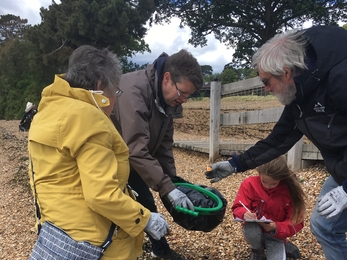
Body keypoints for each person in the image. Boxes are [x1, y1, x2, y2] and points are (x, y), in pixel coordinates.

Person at [205, 25, 347, 260]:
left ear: (286, 72)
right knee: (324, 227)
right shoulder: (298, 97)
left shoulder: (340, 80)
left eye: (266, 80)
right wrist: (235, 164)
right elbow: (278, 140)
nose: (265, 88)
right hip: (341, 169)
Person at [27, 45, 170, 260]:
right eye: (116, 92)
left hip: (56, 234)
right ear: (101, 86)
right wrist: (145, 219)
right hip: (97, 244)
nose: (115, 100)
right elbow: (101, 195)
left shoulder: (45, 113)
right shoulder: (90, 118)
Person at [111, 49, 203, 259]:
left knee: (146, 201)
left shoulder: (167, 99)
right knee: (128, 204)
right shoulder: (134, 93)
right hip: (113, 157)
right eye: (183, 93)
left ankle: (159, 250)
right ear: (167, 78)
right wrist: (166, 187)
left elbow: (163, 146)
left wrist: (173, 183)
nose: (185, 100)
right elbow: (135, 149)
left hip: (132, 156)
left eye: (189, 95)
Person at [232, 156, 305, 260]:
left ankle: (283, 246)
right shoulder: (249, 184)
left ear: (282, 178)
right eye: (264, 182)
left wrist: (276, 227)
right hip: (256, 229)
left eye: (273, 183)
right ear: (259, 173)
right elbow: (238, 206)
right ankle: (257, 250)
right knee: (251, 230)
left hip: (276, 236)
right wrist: (244, 213)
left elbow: (297, 222)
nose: (268, 186)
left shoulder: (290, 191)